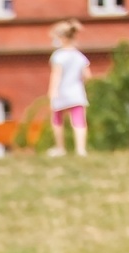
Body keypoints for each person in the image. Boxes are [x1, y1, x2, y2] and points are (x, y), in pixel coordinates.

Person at [47, 20, 91, 158]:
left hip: (61, 92)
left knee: (57, 120)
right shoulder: (79, 56)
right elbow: (87, 75)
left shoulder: (58, 56)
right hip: (77, 92)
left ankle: (60, 148)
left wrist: (52, 91)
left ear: (63, 38)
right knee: (79, 121)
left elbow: (56, 75)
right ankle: (81, 149)